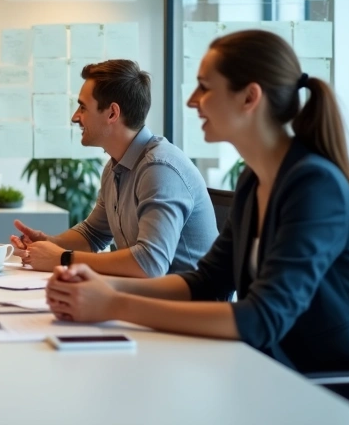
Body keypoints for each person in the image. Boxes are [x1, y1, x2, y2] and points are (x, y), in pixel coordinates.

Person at [45, 30, 349, 424]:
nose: (193, 101)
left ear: (249, 97)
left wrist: (114, 304)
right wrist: (102, 286)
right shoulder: (255, 179)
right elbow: (207, 281)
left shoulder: (314, 186)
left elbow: (262, 318)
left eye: (205, 88)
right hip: (289, 373)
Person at [12, 60, 216, 276]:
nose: (75, 117)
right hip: (148, 298)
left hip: (187, 306)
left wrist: (63, 258)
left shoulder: (159, 169)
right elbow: (93, 234)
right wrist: (49, 244)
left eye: (82, 107)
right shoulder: (115, 166)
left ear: (112, 113)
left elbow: (150, 264)